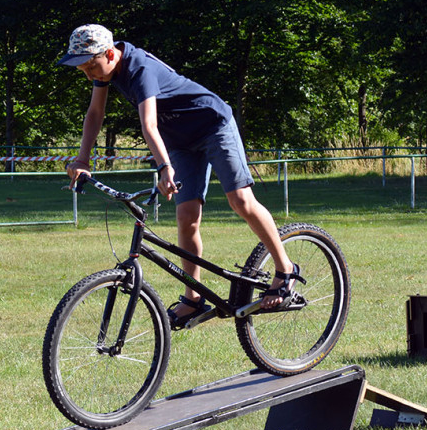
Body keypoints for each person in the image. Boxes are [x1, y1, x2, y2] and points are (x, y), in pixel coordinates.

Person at [59, 24, 299, 330]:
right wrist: (82, 158)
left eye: (91, 66)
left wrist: (163, 167)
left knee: (240, 200)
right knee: (186, 217)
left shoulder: (139, 68)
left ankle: (285, 269)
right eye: (82, 69)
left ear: (109, 53)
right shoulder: (105, 71)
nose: (89, 75)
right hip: (181, 141)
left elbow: (149, 124)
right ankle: (194, 299)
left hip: (212, 126)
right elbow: (95, 114)